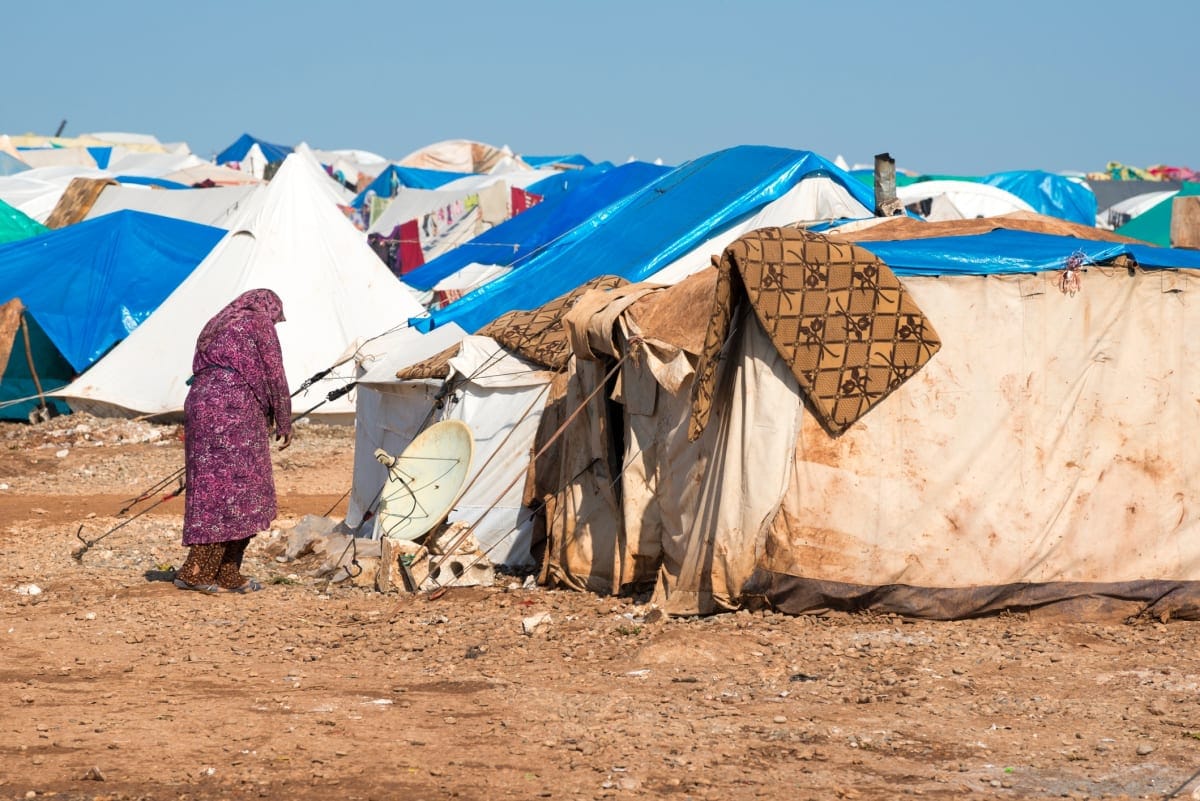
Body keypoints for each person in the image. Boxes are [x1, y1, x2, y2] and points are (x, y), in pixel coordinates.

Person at [173, 288, 292, 594]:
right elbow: (274, 371)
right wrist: (284, 417)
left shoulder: (217, 321)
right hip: (234, 408)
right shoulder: (258, 323)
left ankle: (226, 572)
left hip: (200, 403)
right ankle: (197, 571)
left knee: (211, 491)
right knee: (239, 492)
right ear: (270, 309)